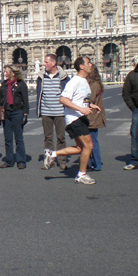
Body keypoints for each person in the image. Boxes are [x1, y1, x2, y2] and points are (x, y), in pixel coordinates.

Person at [45, 56, 101, 184]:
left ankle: (52, 154)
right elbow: (63, 99)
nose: (91, 65)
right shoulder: (74, 81)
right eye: (88, 63)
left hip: (81, 117)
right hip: (75, 119)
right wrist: (80, 109)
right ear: (81, 66)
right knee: (89, 145)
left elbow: (83, 99)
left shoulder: (84, 82)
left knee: (80, 148)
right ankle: (81, 174)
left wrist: (90, 105)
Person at [37, 54, 70, 170]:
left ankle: (62, 160)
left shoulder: (64, 77)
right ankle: (48, 160)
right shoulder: (41, 77)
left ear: (53, 63)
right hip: (46, 112)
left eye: (46, 62)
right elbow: (39, 94)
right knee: (48, 137)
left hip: (60, 112)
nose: (44, 64)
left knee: (61, 137)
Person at [0, 65, 29, 169]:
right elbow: (0, 99)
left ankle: (21, 161)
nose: (4, 74)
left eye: (6, 72)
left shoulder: (21, 85)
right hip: (6, 113)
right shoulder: (4, 84)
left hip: (17, 112)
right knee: (8, 139)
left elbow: (25, 101)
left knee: (19, 138)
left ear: (13, 73)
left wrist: (25, 114)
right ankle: (9, 160)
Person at [86, 65, 106, 171]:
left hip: (92, 116)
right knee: (90, 141)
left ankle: (96, 164)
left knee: (92, 141)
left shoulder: (93, 85)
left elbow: (90, 100)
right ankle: (91, 163)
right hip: (92, 115)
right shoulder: (94, 84)